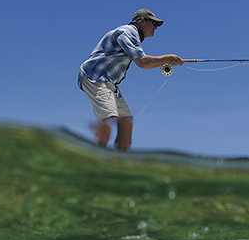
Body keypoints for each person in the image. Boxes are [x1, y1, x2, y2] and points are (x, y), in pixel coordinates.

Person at [78, 8, 183, 151]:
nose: (156, 27)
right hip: (96, 77)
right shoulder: (127, 32)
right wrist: (167, 58)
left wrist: (166, 60)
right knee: (109, 121)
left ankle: (119, 160)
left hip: (110, 84)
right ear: (142, 21)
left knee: (126, 122)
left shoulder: (134, 37)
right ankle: (93, 156)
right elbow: (143, 62)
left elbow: (143, 61)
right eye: (153, 23)